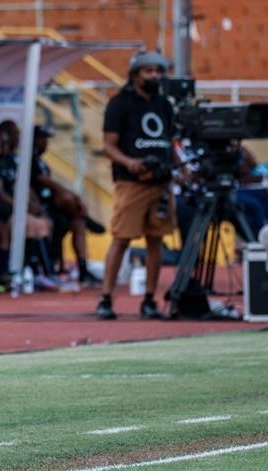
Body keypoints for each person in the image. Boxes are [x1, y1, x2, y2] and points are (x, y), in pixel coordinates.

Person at [95, 49, 175, 320]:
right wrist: (130, 163)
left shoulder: (165, 104)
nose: (155, 76)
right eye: (149, 71)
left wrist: (179, 168)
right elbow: (108, 145)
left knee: (156, 241)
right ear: (136, 74)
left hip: (161, 183)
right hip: (132, 183)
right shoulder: (120, 103)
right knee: (121, 239)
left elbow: (171, 142)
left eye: (158, 71)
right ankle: (105, 298)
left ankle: (149, 300)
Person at [30, 125, 104, 288]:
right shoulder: (29, 160)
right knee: (68, 199)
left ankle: (83, 269)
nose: (45, 143)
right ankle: (84, 216)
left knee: (78, 223)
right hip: (39, 208)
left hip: (53, 208)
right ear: (34, 140)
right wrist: (71, 194)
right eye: (42, 139)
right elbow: (43, 181)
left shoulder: (42, 161)